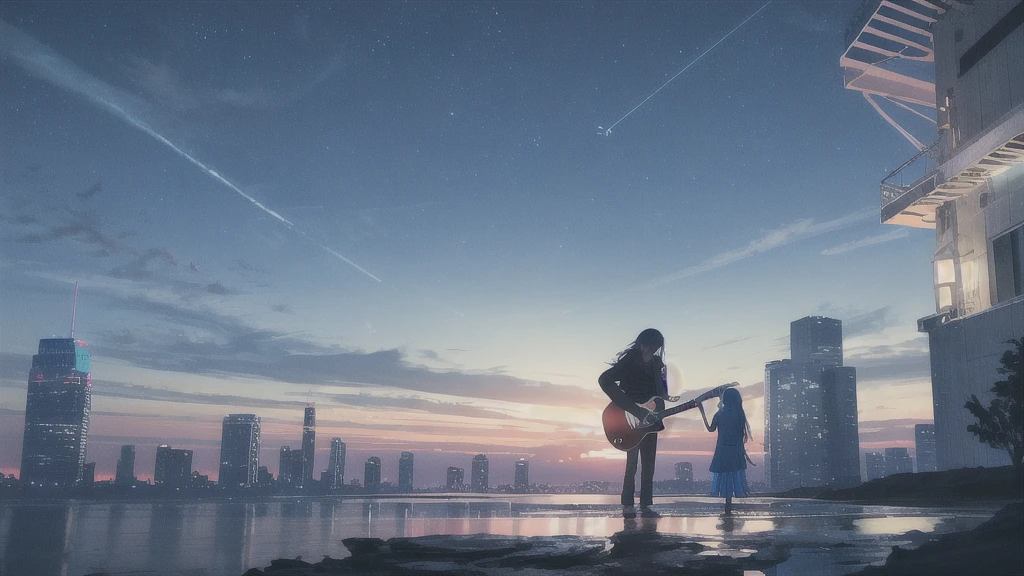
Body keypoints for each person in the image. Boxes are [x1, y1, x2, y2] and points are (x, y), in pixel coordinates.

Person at [599, 328, 667, 518]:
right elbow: (604, 380)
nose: (652, 351)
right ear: (642, 344)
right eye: (650, 347)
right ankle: (627, 503)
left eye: (656, 348)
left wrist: (661, 399)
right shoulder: (630, 360)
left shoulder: (657, 363)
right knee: (632, 464)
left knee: (649, 464)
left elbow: (660, 393)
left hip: (651, 418)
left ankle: (646, 504)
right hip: (629, 419)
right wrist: (630, 407)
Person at [697, 387, 752, 513]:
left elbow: (711, 429)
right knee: (733, 475)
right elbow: (740, 435)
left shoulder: (720, 414)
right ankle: (729, 503)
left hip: (722, 448)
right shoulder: (739, 415)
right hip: (735, 449)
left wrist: (703, 413)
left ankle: (728, 504)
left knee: (725, 476)